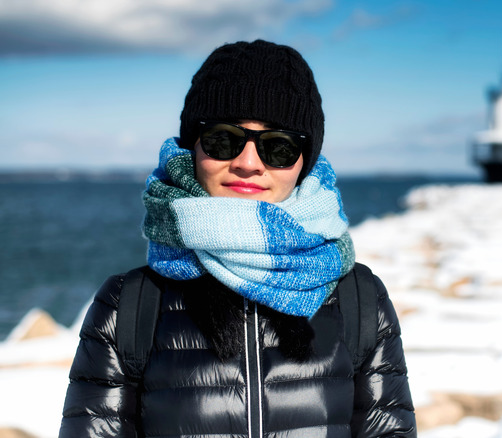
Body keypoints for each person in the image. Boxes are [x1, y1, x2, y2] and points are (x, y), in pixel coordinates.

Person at [59, 39, 416, 437]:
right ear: (192, 147)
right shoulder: (128, 305)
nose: (248, 164)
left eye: (278, 147)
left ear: (305, 160)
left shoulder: (360, 299)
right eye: (223, 139)